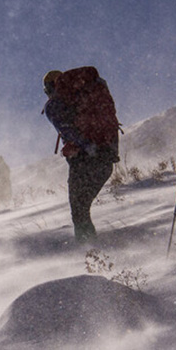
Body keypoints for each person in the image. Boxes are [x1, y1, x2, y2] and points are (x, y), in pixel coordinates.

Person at [42, 67, 120, 243]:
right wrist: (104, 151)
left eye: (46, 90)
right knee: (82, 208)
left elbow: (68, 130)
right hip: (106, 158)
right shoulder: (86, 95)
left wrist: (87, 147)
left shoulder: (54, 105)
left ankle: (88, 253)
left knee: (79, 210)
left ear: (50, 88)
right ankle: (93, 251)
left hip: (84, 161)